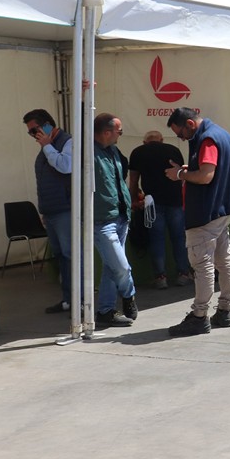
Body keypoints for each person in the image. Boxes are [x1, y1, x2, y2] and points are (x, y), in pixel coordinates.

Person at [164, 107, 230, 337]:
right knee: (224, 260)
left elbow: (206, 176)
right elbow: (212, 170)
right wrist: (189, 169)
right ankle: (224, 310)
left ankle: (199, 316)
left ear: (190, 124)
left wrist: (180, 175)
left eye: (181, 134)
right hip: (221, 209)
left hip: (205, 212)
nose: (181, 139)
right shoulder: (221, 134)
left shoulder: (207, 139)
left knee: (203, 265)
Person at [23, 108, 74, 314]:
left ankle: (78, 300)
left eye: (34, 130)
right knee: (61, 256)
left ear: (47, 125)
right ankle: (68, 299)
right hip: (52, 211)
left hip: (65, 209)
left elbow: (66, 166)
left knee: (70, 255)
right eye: (30, 132)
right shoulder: (46, 147)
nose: (33, 135)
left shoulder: (67, 142)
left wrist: (47, 146)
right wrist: (44, 211)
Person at [128, 130, 192, 289]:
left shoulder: (138, 152)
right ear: (162, 140)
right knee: (179, 238)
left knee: (157, 239)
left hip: (152, 202)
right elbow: (181, 175)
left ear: (144, 142)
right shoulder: (174, 150)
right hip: (175, 200)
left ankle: (160, 277)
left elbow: (134, 180)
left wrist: (134, 199)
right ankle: (183, 273)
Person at [92, 114, 138, 327]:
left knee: (112, 267)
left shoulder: (113, 151)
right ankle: (128, 295)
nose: (120, 135)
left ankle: (105, 311)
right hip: (102, 219)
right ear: (106, 132)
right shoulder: (88, 152)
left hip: (121, 215)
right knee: (121, 266)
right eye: (119, 131)